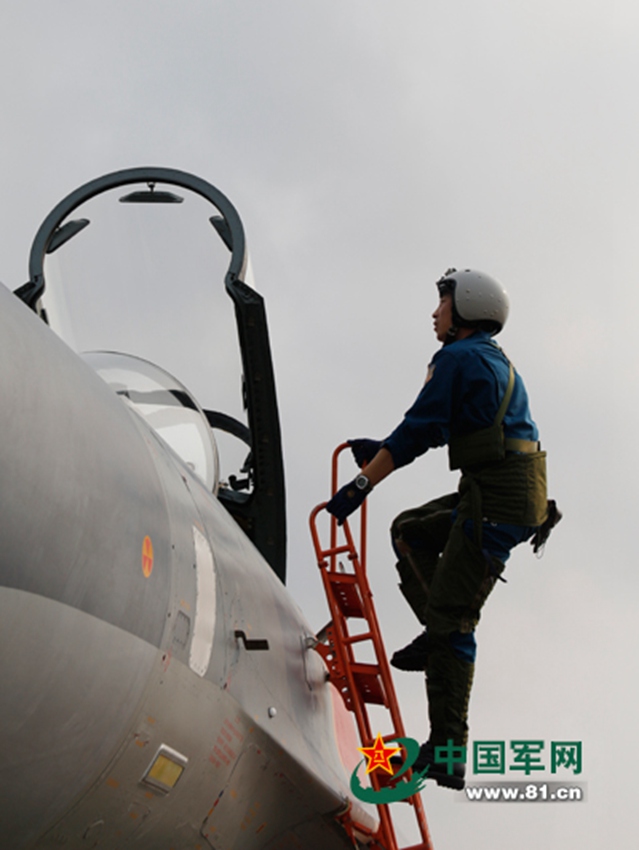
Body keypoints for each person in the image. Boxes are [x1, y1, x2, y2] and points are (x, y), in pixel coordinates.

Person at [326, 269, 560, 790]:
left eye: (443, 303)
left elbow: (418, 432)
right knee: (409, 532)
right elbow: (429, 428)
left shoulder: (457, 358)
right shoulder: (486, 358)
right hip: (500, 490)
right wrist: (383, 447)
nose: (435, 313)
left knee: (455, 619)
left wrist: (359, 486)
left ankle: (448, 751)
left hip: (496, 499)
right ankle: (439, 638)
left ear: (466, 308)